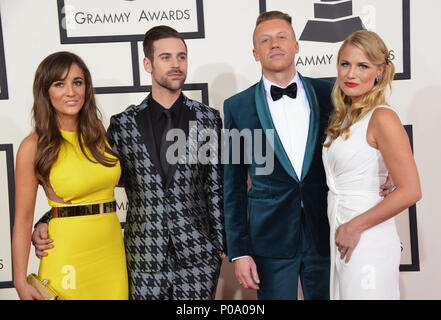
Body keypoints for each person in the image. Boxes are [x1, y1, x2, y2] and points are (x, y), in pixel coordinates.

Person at [33, 26, 225, 300]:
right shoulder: (123, 124)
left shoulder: (208, 119)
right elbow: (98, 178)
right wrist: (47, 219)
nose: (176, 65)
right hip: (143, 257)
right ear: (147, 63)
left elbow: (215, 186)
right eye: (166, 57)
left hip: (198, 257)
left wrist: (219, 245)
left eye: (181, 57)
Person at [223, 11, 393, 300]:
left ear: (296, 45)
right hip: (270, 240)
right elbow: (233, 186)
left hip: (328, 231)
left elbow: (367, 133)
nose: (274, 44)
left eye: (282, 37)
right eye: (265, 40)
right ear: (255, 53)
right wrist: (239, 251)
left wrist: (386, 168)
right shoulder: (236, 107)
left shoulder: (332, 94)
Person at [12, 51, 128, 300]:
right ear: (45, 92)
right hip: (68, 257)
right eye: (59, 84)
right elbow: (23, 219)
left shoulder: (98, 133)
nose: (71, 91)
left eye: (77, 82)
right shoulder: (33, 146)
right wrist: (20, 281)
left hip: (111, 254)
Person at [322, 30, 421, 299]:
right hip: (343, 232)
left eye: (362, 66)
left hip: (367, 236)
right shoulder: (346, 117)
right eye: (345, 64)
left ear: (379, 71)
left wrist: (355, 226)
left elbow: (411, 190)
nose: (350, 74)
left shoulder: (382, 117)